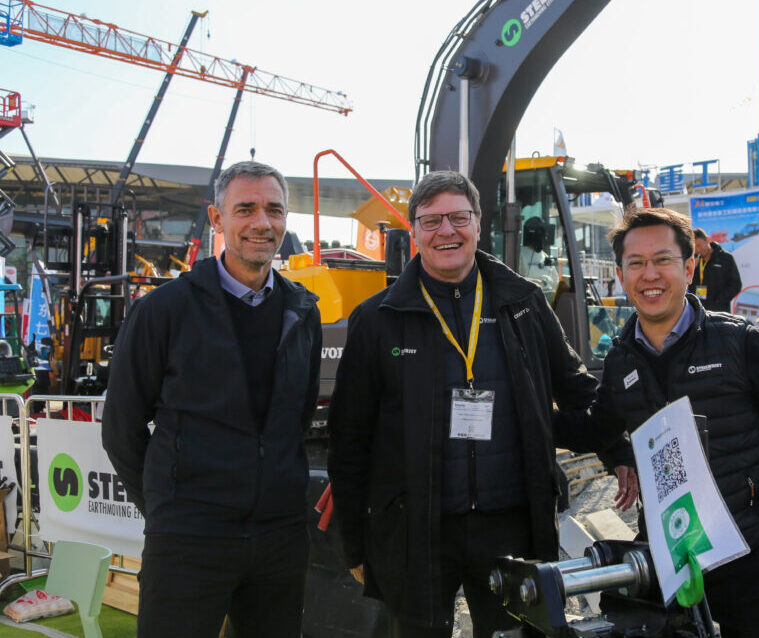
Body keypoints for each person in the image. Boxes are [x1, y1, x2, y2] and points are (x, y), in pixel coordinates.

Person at [326, 170, 638, 638]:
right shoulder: (377, 320)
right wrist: (354, 545)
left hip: (510, 526)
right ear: (413, 232)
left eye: (458, 217)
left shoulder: (525, 304)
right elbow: (349, 440)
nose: (446, 231)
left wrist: (619, 454)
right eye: (431, 221)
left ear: (477, 224)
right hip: (417, 530)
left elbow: (577, 392)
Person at [102, 161, 322, 638]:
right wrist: (171, 509)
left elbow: (296, 418)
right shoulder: (162, 311)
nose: (262, 223)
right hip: (189, 543)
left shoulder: (303, 312)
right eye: (245, 209)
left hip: (279, 541)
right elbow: (121, 429)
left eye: (274, 209)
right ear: (217, 218)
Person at [594, 208, 759, 638]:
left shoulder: (739, 343)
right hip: (670, 563)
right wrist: (618, 456)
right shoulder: (619, 361)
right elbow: (597, 425)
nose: (650, 274)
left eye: (663, 260)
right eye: (636, 263)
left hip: (751, 558)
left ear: (689, 268)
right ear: (620, 274)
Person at [689, 227, 742, 313]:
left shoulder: (725, 258)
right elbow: (689, 285)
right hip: (701, 311)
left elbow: (736, 285)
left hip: (720, 312)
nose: (698, 250)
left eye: (699, 245)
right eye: (695, 247)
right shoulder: (695, 261)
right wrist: (692, 268)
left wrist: (719, 301)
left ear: (707, 239)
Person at [518, 215, 558, 296]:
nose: (544, 237)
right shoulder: (519, 254)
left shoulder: (545, 256)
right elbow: (514, 281)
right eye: (541, 234)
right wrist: (537, 282)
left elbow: (555, 284)